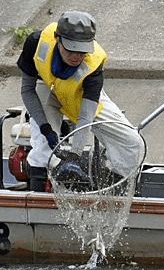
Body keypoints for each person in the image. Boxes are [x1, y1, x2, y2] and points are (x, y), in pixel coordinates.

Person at [16, 10, 142, 191]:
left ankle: (117, 196)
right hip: (47, 85)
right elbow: (27, 90)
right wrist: (45, 127)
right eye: (70, 49)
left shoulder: (93, 65)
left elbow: (86, 115)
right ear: (57, 38)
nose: (76, 56)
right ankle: (39, 197)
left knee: (132, 143)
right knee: (43, 147)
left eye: (82, 51)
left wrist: (75, 155)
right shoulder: (36, 43)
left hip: (79, 92)